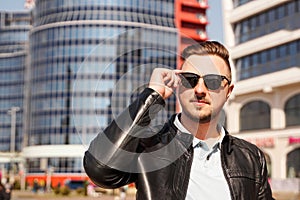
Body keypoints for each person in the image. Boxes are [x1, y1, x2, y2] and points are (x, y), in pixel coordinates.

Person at [83, 41, 274, 199]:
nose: (200, 90)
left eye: (213, 81)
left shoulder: (251, 158)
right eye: (190, 79)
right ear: (179, 85)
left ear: (228, 91)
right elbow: (99, 169)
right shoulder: (148, 145)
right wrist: (153, 96)